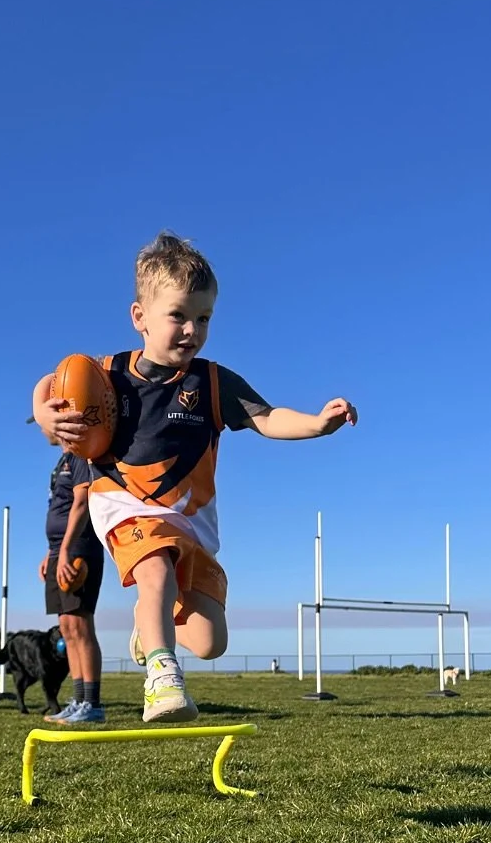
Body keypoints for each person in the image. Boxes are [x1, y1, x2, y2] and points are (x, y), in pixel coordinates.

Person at [32, 232, 358, 723]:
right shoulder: (105, 373)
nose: (192, 330)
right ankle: (162, 678)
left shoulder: (211, 381)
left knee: (209, 641)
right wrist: (43, 413)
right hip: (122, 504)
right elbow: (50, 382)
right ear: (140, 317)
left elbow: (267, 418)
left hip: (189, 520)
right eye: (178, 315)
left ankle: (150, 627)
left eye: (203, 318)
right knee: (155, 564)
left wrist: (316, 423)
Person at [33, 427, 106, 724]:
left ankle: (93, 704)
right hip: (57, 551)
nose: (42, 428)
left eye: (45, 423)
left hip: (78, 549)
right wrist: (50, 553)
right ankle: (77, 700)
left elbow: (81, 502)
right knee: (67, 628)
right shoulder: (61, 461)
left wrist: (64, 551)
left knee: (81, 625)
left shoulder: (80, 457)